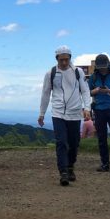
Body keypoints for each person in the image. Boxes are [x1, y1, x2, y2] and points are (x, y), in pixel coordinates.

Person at [38, 45, 91, 186]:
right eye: (61, 60)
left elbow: (85, 91)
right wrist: (42, 113)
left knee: (74, 144)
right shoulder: (51, 73)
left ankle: (70, 166)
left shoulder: (78, 72)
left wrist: (87, 108)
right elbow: (45, 93)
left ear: (70, 58)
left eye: (66, 59)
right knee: (61, 142)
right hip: (58, 112)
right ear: (57, 59)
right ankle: (63, 172)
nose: (64, 63)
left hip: (74, 113)